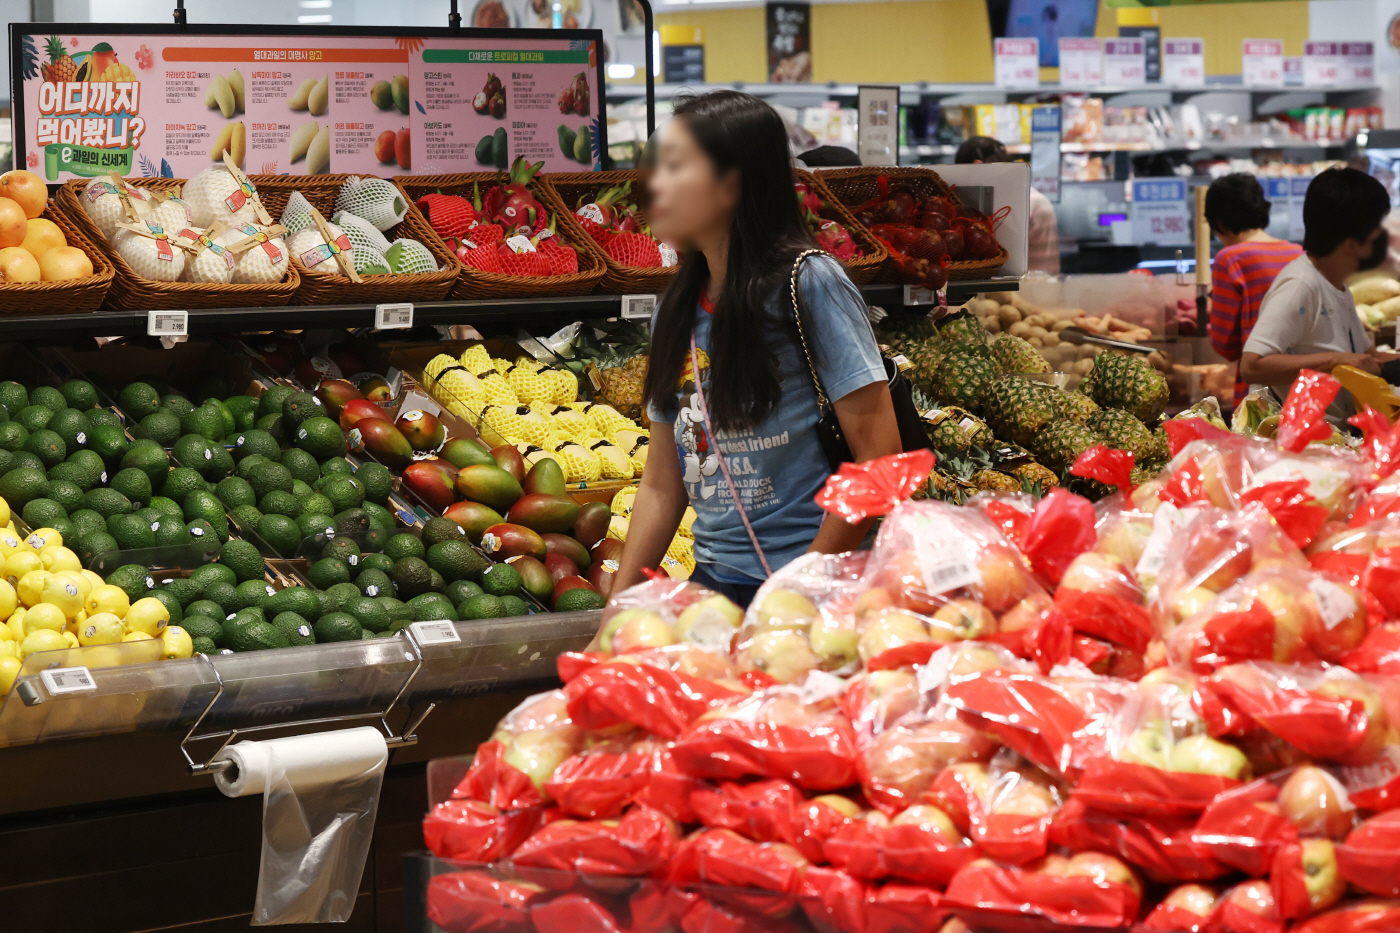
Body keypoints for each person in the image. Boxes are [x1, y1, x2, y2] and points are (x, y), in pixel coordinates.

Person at [611, 90, 902, 607]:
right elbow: (661, 484)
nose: (653, 182)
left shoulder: (811, 284)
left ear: (730, 183)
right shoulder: (674, 311)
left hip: (820, 586)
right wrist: (617, 611)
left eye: (674, 166)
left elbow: (879, 458)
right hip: (715, 585)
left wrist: (798, 594)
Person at [1241, 167, 1400, 425]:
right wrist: (1335, 360)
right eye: (1379, 233)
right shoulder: (1301, 285)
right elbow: (1252, 365)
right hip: (1290, 444)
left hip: (1331, 438)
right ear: (1352, 243)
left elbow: (1367, 357)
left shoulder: (1337, 286)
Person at [1204, 173, 1303, 407]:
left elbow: (1224, 343)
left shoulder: (1230, 259)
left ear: (1219, 224)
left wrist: (1211, 308)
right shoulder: (1298, 254)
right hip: (1305, 388)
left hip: (1260, 396)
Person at [955, 136, 1060, 274]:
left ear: (977, 166)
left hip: (1024, 289)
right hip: (1043, 285)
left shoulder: (1012, 202)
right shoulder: (1031, 196)